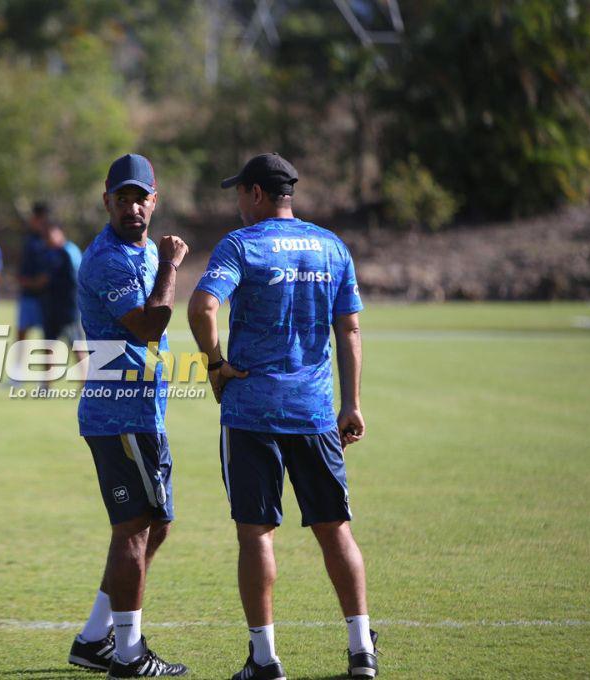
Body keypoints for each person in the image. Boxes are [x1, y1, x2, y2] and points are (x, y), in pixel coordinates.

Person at [187, 153, 375, 680]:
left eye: (238, 193)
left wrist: (216, 363)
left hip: (251, 414)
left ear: (254, 194)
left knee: (257, 535)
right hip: (315, 413)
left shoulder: (241, 245)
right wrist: (351, 403)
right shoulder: (331, 246)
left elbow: (202, 307)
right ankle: (362, 650)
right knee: (335, 530)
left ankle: (265, 659)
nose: (236, 204)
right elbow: (351, 331)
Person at [67, 154, 190, 678]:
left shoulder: (136, 250)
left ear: (153, 201)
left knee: (151, 525)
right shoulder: (109, 259)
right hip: (120, 413)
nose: (133, 207)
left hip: (141, 410)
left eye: (142, 198)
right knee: (137, 527)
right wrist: (170, 267)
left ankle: (96, 638)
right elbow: (148, 328)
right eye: (124, 198)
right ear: (107, 201)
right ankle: (128, 653)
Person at [41, 224, 83, 347]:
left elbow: (78, 278)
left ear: (60, 234)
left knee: (76, 345)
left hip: (69, 307)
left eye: (51, 235)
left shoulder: (69, 250)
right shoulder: (49, 253)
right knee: (49, 345)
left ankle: (85, 367)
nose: (49, 239)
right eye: (47, 237)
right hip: (52, 307)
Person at [17, 202, 52, 340]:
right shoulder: (29, 240)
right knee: (22, 332)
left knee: (50, 337)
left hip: (47, 297)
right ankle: (18, 362)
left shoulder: (50, 241)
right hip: (29, 295)